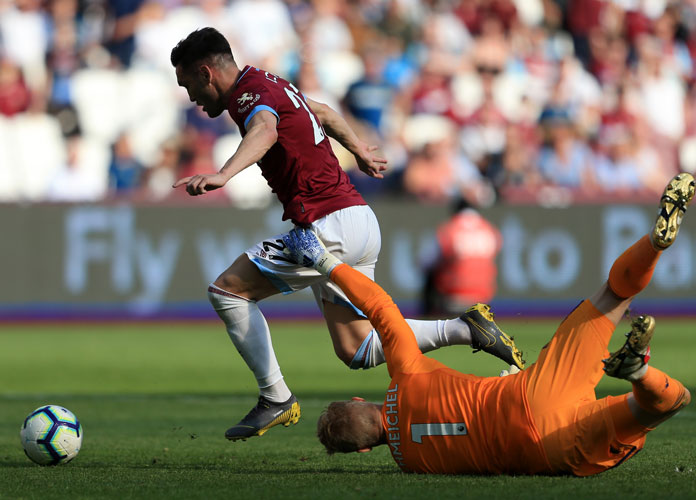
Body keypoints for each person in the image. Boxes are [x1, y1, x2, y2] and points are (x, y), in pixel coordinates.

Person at [169, 28, 524, 441]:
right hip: (358, 218)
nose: (191, 96)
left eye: (188, 84)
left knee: (228, 292)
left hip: (325, 227)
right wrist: (358, 149)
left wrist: (223, 175)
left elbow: (265, 131)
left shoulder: (249, 97)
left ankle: (276, 398)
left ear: (205, 72)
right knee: (358, 348)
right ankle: (466, 329)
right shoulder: (271, 82)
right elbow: (322, 111)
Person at [283, 172, 696, 476]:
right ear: (359, 403)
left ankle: (639, 372)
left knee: (664, 404)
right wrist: (323, 262)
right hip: (528, 390)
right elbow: (379, 305)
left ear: (365, 451)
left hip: (547, 451)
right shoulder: (405, 376)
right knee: (613, 296)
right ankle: (655, 245)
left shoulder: (413, 464)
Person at [421, 196, 501, 316]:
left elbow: (426, 262)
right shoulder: (489, 229)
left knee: (431, 274)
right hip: (484, 296)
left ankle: (428, 316)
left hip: (454, 294)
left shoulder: (449, 228)